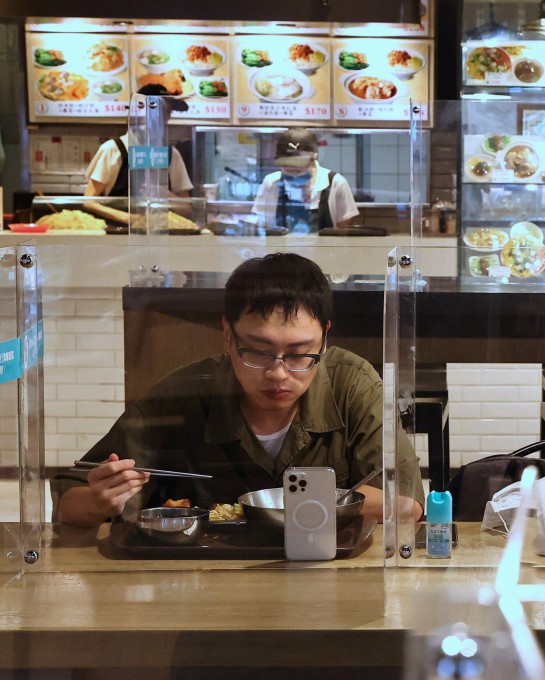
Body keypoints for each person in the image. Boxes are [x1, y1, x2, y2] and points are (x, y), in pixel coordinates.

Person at [50, 253, 425, 527]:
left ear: (324, 341)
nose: (278, 373)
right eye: (259, 352)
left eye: (299, 354)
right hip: (201, 582)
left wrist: (282, 502)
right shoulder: (185, 393)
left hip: (327, 570)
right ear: (228, 337)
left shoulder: (352, 386)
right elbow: (70, 501)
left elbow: (407, 504)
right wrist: (100, 501)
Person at [83, 84, 194, 224]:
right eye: (158, 110)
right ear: (139, 109)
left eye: (168, 112)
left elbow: (188, 209)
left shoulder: (171, 154)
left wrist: (168, 196)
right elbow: (89, 201)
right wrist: (128, 218)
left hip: (162, 238)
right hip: (118, 237)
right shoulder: (114, 149)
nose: (164, 117)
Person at [250, 128, 359, 233]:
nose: (292, 169)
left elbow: (344, 229)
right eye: (286, 164)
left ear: (313, 158)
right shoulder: (271, 182)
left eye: (298, 165)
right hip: (280, 251)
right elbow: (260, 225)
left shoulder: (335, 183)